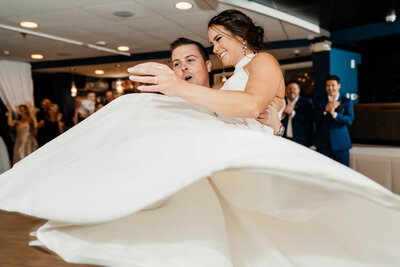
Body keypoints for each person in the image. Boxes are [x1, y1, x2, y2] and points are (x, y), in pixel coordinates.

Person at [1, 9, 400, 267]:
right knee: (139, 111)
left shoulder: (261, 60)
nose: (215, 48)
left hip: (244, 148)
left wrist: (178, 89)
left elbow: (249, 106)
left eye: (218, 41)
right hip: (234, 143)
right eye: (212, 43)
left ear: (240, 36)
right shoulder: (234, 74)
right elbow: (242, 106)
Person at [170, 37, 284, 135]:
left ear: (208, 65)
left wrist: (277, 128)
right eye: (177, 64)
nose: (183, 67)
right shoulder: (171, 106)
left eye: (190, 60)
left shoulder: (230, 94)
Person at [314, 75, 354, 166]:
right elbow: (314, 118)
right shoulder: (319, 100)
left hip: (341, 144)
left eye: (333, 85)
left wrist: (334, 114)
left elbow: (349, 120)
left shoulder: (346, 101)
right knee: (321, 170)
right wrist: (325, 110)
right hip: (322, 144)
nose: (330, 88)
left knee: (344, 172)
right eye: (328, 85)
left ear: (339, 86)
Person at [281, 81, 314, 146]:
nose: (292, 91)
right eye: (289, 89)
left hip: (300, 140)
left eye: (294, 89)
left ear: (299, 90)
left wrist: (293, 113)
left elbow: (309, 119)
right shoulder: (282, 102)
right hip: (283, 139)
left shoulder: (306, 102)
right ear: (286, 90)